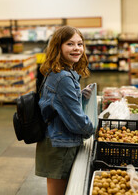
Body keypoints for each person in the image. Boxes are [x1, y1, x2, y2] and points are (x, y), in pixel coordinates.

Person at [35, 25, 95, 195]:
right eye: (70, 44)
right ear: (58, 47)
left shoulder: (61, 71)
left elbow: (60, 104)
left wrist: (80, 96)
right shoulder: (63, 78)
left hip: (57, 140)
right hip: (59, 145)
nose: (77, 48)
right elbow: (77, 122)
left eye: (80, 44)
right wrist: (94, 130)